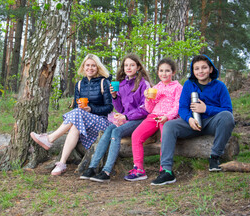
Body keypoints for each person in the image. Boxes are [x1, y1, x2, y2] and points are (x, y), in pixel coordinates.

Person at [151, 55, 235, 186]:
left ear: (211, 69)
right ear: (193, 71)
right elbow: (182, 108)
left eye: (204, 68)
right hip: (191, 123)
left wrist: (206, 108)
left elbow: (228, 110)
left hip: (211, 123)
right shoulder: (189, 85)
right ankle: (166, 171)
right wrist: (189, 119)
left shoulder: (220, 86)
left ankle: (214, 158)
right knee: (169, 125)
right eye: (197, 68)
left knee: (227, 117)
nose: (200, 71)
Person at [30, 54, 113, 176]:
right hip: (83, 121)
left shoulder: (103, 82)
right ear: (83, 67)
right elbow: (76, 108)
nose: (90, 68)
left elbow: (109, 107)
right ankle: (62, 163)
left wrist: (91, 109)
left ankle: (50, 139)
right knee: (75, 126)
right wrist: (82, 109)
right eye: (87, 65)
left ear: (98, 67)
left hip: (102, 122)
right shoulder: (79, 84)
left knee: (78, 115)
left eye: (93, 65)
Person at [80, 53, 151, 183]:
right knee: (108, 130)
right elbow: (120, 109)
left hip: (140, 119)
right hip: (126, 119)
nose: (128, 68)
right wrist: (114, 97)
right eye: (126, 65)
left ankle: (106, 171)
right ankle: (92, 167)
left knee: (116, 131)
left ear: (138, 67)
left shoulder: (143, 84)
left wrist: (126, 116)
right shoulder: (122, 84)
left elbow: (145, 108)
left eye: (132, 65)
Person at [124, 58, 182, 181]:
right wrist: (148, 99)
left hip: (168, 117)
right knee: (136, 135)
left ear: (173, 72)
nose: (164, 74)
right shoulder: (156, 87)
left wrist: (168, 116)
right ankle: (138, 169)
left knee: (164, 139)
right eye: (161, 71)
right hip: (154, 116)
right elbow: (150, 109)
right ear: (158, 72)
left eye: (167, 71)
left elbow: (178, 105)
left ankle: (164, 169)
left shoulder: (177, 87)